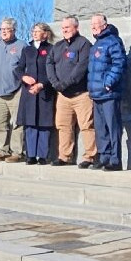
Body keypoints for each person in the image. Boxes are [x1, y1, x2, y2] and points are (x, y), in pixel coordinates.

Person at [46, 15, 97, 167]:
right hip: (62, 95)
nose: (65, 30)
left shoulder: (84, 44)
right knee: (63, 126)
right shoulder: (58, 46)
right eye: (63, 28)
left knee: (87, 126)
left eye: (67, 27)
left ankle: (90, 157)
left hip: (81, 95)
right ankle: (65, 156)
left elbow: (81, 69)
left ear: (76, 28)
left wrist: (65, 83)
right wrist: (55, 83)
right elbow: (49, 63)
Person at [87, 14, 127, 171]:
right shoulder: (96, 44)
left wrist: (108, 82)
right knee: (100, 128)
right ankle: (104, 157)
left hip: (109, 93)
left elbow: (120, 63)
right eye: (92, 25)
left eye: (96, 24)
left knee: (113, 127)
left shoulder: (113, 41)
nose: (93, 27)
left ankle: (115, 159)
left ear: (104, 25)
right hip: (96, 93)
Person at [0, 17, 25, 162]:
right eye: (2, 29)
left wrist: (22, 87)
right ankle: (3, 150)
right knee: (0, 123)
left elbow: (26, 68)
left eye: (7, 29)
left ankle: (17, 152)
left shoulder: (22, 46)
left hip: (16, 91)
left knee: (16, 124)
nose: (4, 32)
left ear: (13, 30)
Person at [15, 22, 55, 164]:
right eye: (34, 31)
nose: (35, 33)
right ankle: (30, 154)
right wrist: (23, 77)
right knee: (30, 123)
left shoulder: (51, 49)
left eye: (38, 31)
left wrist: (42, 84)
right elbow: (19, 68)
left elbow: (52, 72)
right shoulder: (27, 49)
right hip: (29, 91)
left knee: (43, 123)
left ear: (45, 33)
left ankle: (43, 155)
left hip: (45, 91)